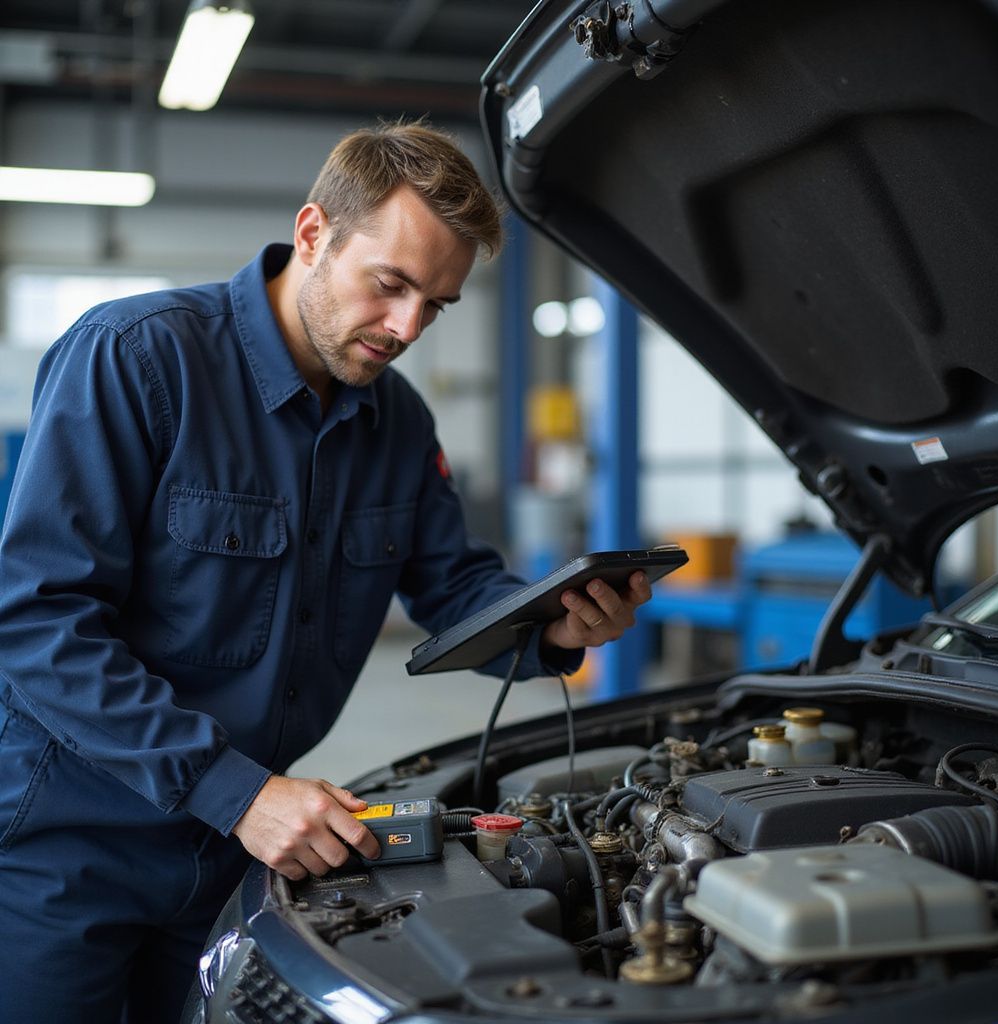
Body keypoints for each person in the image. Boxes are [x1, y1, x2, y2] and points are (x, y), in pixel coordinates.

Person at [0, 121, 651, 1023]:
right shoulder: (138, 358)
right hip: (69, 849)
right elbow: (36, 621)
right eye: (390, 285)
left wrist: (549, 625)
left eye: (438, 305)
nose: (407, 328)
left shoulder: (398, 423)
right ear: (314, 234)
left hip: (238, 855)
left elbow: (455, 588)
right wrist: (239, 795)